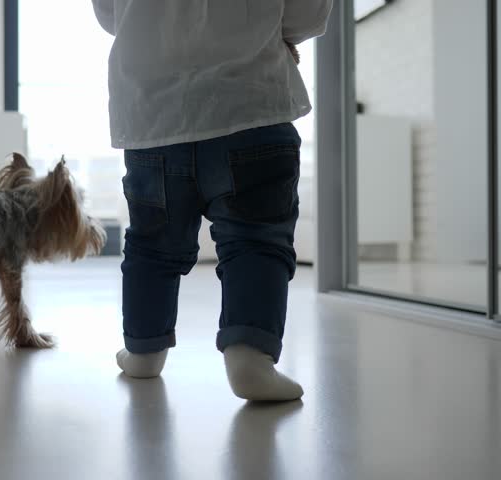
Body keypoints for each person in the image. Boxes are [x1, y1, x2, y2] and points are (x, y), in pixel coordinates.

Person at [92, 0, 333, 401]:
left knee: (151, 244)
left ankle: (143, 349)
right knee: (257, 241)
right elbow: (308, 14)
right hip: (251, 101)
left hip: (153, 113)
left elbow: (108, 15)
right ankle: (250, 357)